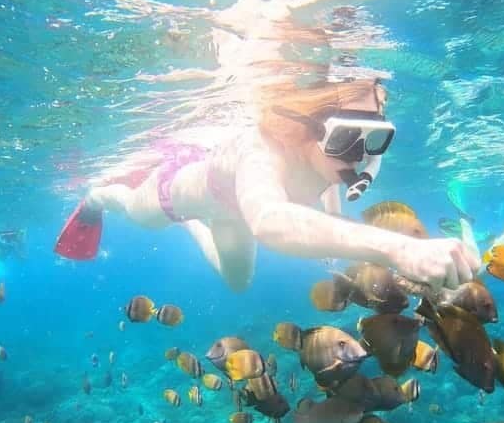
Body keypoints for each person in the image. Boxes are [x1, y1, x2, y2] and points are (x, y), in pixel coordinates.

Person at [54, 78, 478, 292]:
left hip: (232, 212)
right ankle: (96, 197)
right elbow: (270, 220)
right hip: (178, 192)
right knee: (135, 211)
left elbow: (325, 184)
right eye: (347, 138)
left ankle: (196, 224)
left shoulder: (331, 157)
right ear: (309, 128)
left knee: (238, 282)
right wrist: (399, 249)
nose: (360, 157)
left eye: (376, 140)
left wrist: (336, 225)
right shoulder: (262, 151)